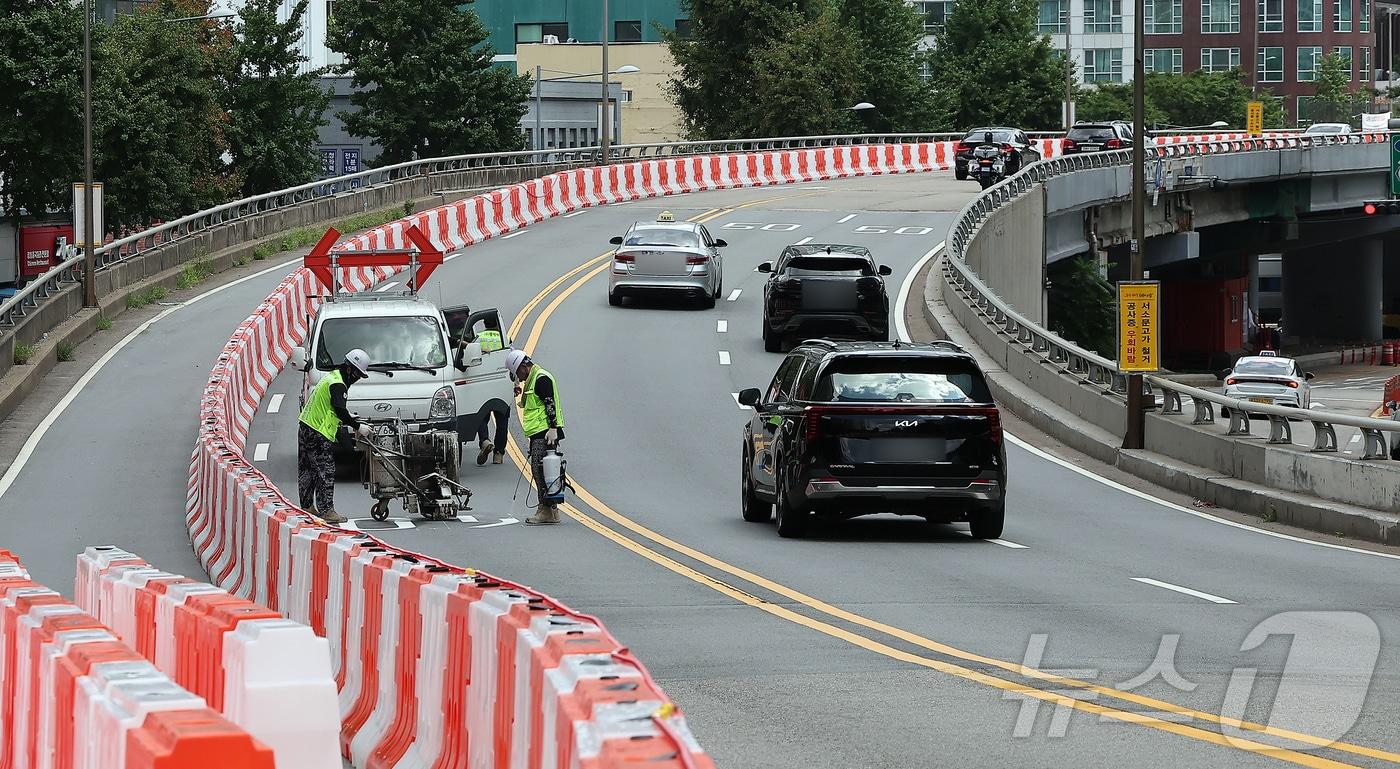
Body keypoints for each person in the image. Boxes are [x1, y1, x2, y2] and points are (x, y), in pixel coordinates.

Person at [298, 348, 373, 524]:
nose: (357, 379)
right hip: (318, 431)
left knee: (308, 469)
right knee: (326, 471)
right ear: (349, 369)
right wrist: (358, 426)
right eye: (357, 374)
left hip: (306, 426)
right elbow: (339, 409)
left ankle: (307, 506)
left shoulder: (332, 377)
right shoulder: (339, 384)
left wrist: (348, 417)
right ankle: (326, 511)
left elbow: (331, 406)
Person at [506, 349, 565, 525]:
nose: (519, 377)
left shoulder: (541, 379)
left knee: (540, 471)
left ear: (523, 366)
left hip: (545, 432)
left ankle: (545, 510)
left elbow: (549, 403)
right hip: (540, 432)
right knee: (544, 470)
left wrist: (553, 428)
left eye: (518, 373)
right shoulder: (534, 379)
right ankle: (552, 511)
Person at [456, 318, 510, 465]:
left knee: (481, 416)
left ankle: (485, 440)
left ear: (484, 324)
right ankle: (498, 454)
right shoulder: (504, 339)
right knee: (502, 420)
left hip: (482, 383)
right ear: (497, 324)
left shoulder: (478, 338)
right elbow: (510, 360)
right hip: (501, 383)